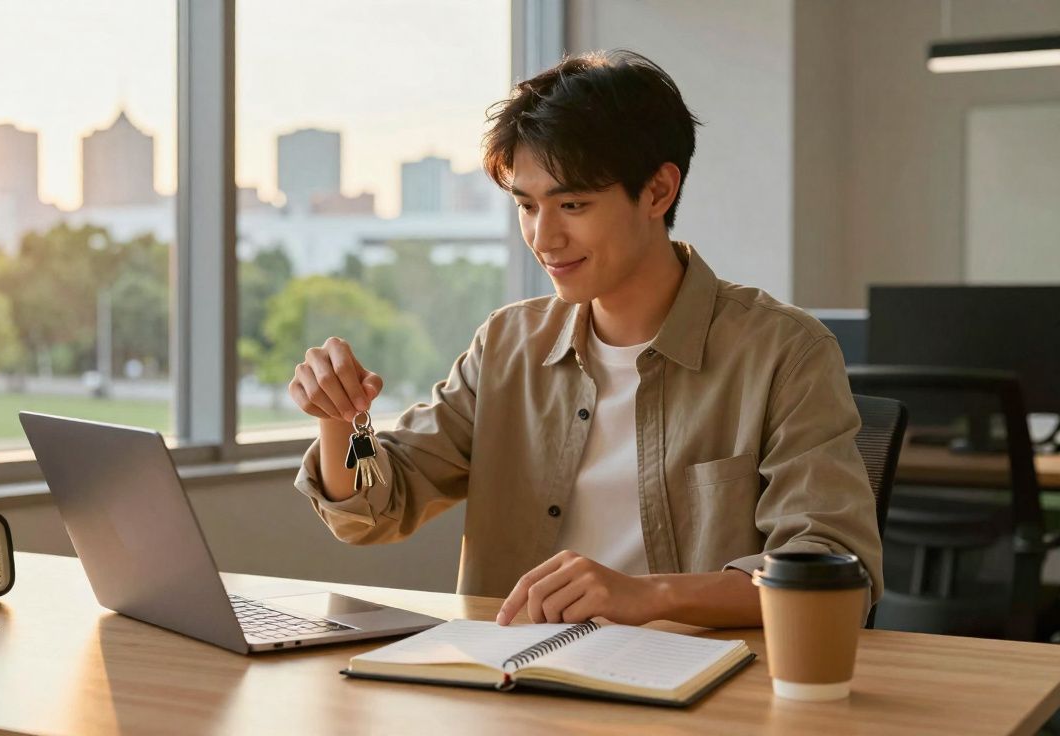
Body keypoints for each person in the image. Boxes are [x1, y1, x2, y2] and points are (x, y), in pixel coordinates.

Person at [289, 50, 881, 629]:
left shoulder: (784, 352)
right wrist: (341, 421)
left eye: (572, 204)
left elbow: (831, 573)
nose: (544, 237)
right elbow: (375, 511)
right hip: (517, 685)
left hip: (699, 694)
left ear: (657, 192)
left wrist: (649, 597)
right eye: (526, 206)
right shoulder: (506, 345)